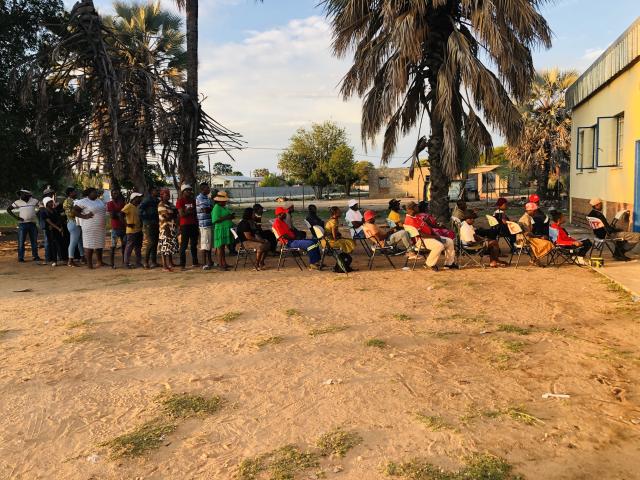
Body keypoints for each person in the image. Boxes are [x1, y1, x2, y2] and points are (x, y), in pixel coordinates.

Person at [404, 202, 457, 271]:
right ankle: (429, 264)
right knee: (439, 245)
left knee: (449, 241)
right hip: (421, 240)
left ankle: (449, 264)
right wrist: (435, 237)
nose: (418, 208)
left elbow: (428, 228)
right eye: (416, 207)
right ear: (411, 209)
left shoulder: (416, 216)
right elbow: (420, 234)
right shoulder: (409, 220)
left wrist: (436, 235)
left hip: (429, 237)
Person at [73, 187, 106, 269]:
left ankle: (100, 261)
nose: (96, 193)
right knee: (89, 245)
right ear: (88, 194)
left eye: (96, 192)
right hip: (89, 226)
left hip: (100, 227)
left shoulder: (99, 200)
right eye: (94, 192)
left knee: (99, 244)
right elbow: (74, 211)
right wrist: (84, 216)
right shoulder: (83, 201)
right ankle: (89, 264)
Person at [8, 189, 41, 263]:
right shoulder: (18, 202)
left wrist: (37, 213)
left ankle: (35, 256)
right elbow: (8, 209)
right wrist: (17, 217)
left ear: (28, 195)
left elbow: (41, 207)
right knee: (21, 241)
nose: (21, 196)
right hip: (22, 224)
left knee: (34, 241)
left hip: (32, 224)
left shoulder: (34, 201)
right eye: (20, 194)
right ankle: (20, 257)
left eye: (22, 194)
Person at [324, 206, 355, 271]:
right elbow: (334, 235)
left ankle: (344, 259)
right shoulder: (334, 222)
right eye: (339, 212)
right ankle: (344, 260)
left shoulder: (333, 220)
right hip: (330, 242)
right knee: (349, 242)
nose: (340, 212)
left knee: (349, 241)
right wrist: (338, 239)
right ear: (335, 213)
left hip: (327, 240)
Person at [176, 184, 200, 269]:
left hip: (193, 224)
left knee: (194, 244)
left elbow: (196, 212)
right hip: (185, 225)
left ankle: (195, 262)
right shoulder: (180, 201)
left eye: (190, 190)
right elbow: (181, 214)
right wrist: (190, 211)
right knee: (184, 245)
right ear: (183, 192)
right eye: (187, 190)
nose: (189, 192)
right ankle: (182, 264)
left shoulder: (193, 200)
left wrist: (188, 211)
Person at [211, 191, 234, 271]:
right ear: (220, 200)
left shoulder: (223, 207)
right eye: (224, 200)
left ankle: (224, 263)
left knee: (223, 248)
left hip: (225, 229)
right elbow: (215, 220)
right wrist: (227, 217)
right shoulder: (216, 207)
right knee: (220, 248)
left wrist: (230, 217)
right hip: (220, 229)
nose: (225, 201)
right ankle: (221, 264)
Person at [157, 188, 179, 272]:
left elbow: (176, 213)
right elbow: (167, 216)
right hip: (164, 228)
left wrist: (172, 213)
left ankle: (170, 263)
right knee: (164, 246)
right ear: (162, 196)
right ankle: (164, 265)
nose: (168, 196)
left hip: (172, 227)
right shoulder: (161, 205)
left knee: (170, 246)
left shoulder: (170, 204)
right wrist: (172, 213)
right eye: (166, 194)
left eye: (168, 194)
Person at [41, 196, 66, 266]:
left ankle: (63, 258)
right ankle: (54, 260)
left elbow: (59, 219)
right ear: (46, 203)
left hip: (57, 229)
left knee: (60, 244)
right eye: (50, 202)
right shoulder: (44, 212)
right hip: (50, 231)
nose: (52, 203)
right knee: (53, 245)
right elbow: (49, 222)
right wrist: (58, 228)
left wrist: (60, 227)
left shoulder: (55, 210)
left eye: (52, 202)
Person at [121, 192, 144, 269]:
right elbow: (121, 214)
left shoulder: (137, 207)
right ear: (134, 198)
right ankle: (126, 263)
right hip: (131, 231)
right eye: (138, 197)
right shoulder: (128, 206)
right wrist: (127, 224)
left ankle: (138, 262)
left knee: (138, 247)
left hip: (138, 230)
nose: (140, 199)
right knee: (129, 247)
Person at [63, 187, 84, 267]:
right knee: (73, 242)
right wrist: (80, 211)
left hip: (75, 222)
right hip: (73, 222)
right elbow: (70, 214)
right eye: (74, 192)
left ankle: (82, 257)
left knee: (79, 241)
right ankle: (70, 260)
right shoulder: (68, 201)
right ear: (70, 193)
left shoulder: (73, 201)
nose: (76, 193)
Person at [140, 186, 160, 269]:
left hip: (156, 223)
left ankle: (154, 261)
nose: (158, 191)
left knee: (155, 243)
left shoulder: (157, 200)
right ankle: (145, 262)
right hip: (149, 223)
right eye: (156, 190)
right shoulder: (147, 199)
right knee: (151, 242)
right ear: (151, 191)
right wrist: (146, 218)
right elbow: (140, 209)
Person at [106, 190, 127, 268]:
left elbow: (124, 214)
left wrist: (118, 214)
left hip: (123, 227)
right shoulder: (110, 203)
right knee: (113, 246)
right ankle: (112, 264)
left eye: (117, 193)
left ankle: (124, 262)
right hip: (115, 227)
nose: (116, 195)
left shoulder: (122, 203)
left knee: (124, 245)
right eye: (114, 193)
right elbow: (112, 216)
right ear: (111, 194)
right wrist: (120, 214)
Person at [196, 183, 214, 269]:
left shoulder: (207, 198)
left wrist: (210, 207)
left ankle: (210, 261)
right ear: (203, 189)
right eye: (207, 188)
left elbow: (211, 207)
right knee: (204, 244)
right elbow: (206, 210)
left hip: (209, 223)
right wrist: (210, 207)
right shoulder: (199, 198)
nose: (209, 189)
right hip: (204, 225)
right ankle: (204, 263)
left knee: (209, 244)